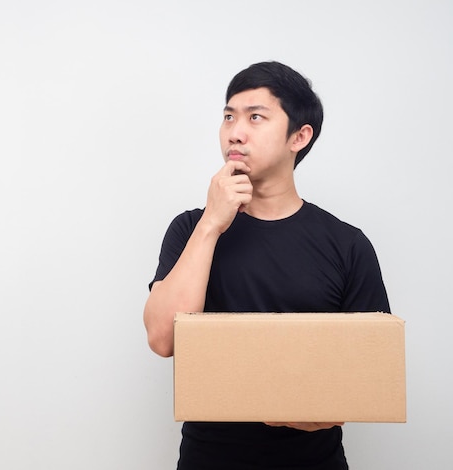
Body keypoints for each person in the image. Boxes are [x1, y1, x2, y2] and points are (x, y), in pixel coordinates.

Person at [143, 61, 390, 470]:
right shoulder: (190, 228)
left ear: (299, 135)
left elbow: (370, 370)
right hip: (209, 459)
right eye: (228, 116)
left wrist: (325, 411)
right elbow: (162, 339)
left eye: (255, 117)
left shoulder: (347, 244)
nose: (235, 132)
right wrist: (211, 223)